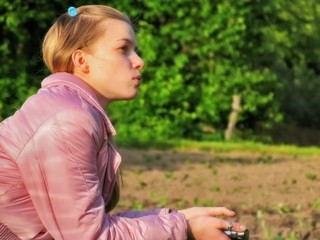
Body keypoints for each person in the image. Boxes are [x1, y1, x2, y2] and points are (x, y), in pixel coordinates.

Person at [0, 5, 247, 240]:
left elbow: (88, 227)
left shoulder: (70, 110)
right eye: (123, 49)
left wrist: (182, 218)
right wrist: (183, 228)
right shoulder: (67, 121)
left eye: (135, 49)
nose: (139, 61)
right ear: (81, 61)